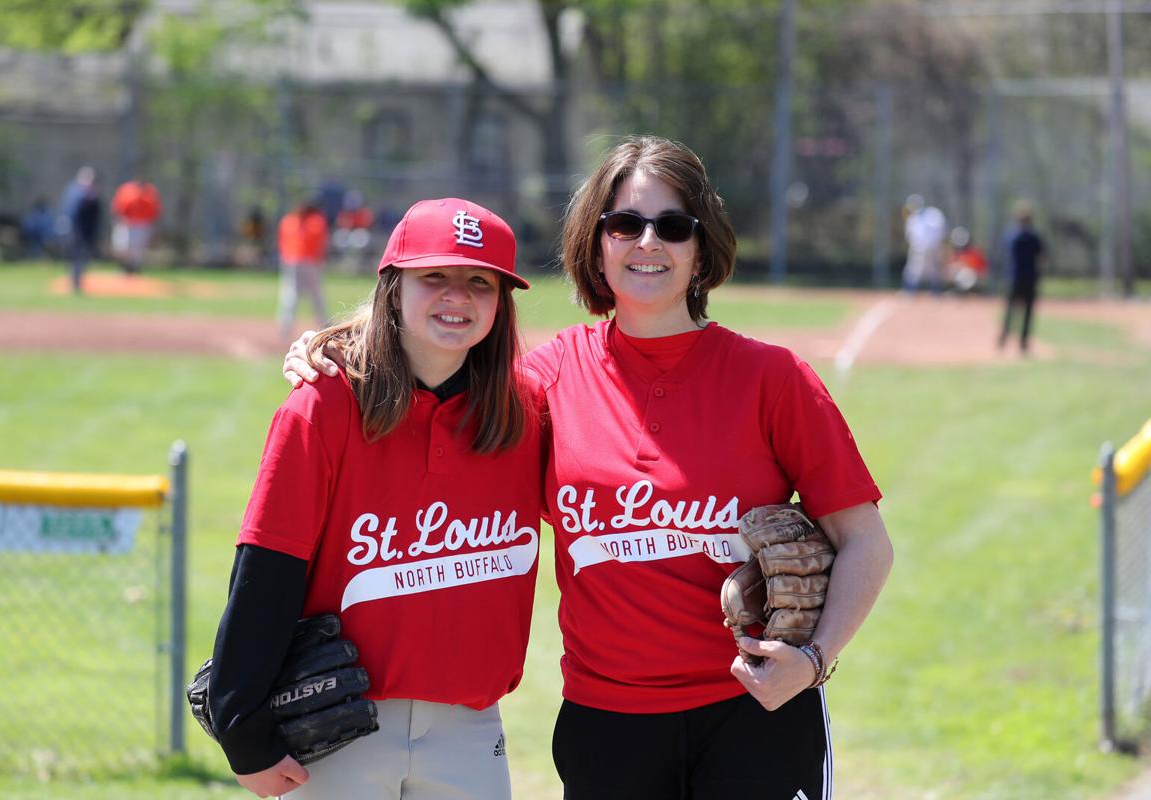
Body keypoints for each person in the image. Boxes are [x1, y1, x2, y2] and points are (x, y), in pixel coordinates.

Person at [285, 136, 894, 799]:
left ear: (702, 247)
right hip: (609, 723)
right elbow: (439, 368)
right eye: (626, 224)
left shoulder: (772, 380)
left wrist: (811, 661)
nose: (647, 243)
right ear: (596, 243)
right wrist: (335, 347)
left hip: (755, 710)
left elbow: (865, 541)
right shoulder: (547, 380)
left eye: (673, 226)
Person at [209, 198, 542, 799]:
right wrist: (241, 726)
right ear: (393, 287)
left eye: (479, 282)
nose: (457, 297)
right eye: (434, 277)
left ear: (502, 301)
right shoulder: (325, 404)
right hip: (336, 722)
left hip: (470, 728)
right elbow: (266, 568)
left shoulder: (525, 413)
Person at [277, 200, 331, 341]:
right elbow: (322, 243)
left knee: (292, 295)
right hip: (308, 262)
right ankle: (326, 327)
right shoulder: (316, 221)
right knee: (314, 296)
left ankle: (285, 328)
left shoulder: (289, 220)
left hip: (293, 261)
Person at [997, 200, 1044, 354]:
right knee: (1025, 313)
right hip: (1029, 278)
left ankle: (1004, 338)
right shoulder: (1034, 237)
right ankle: (1022, 342)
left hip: (1014, 277)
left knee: (1011, 311)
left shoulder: (1012, 236)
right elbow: (1041, 258)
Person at [110, 178, 162, 274]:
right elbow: (117, 206)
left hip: (142, 224)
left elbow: (155, 211)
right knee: (122, 247)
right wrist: (120, 219)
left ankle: (133, 269)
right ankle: (124, 267)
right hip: (126, 222)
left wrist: (153, 226)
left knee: (137, 250)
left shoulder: (150, 191)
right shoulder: (126, 189)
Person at [62, 167, 101, 294]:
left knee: (83, 259)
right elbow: (73, 213)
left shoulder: (91, 195)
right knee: (76, 258)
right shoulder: (77, 193)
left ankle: (78, 281)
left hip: (87, 232)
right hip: (76, 231)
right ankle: (75, 283)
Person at [901, 195, 947, 294]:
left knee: (933, 271)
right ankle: (909, 291)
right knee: (913, 270)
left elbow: (940, 231)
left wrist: (936, 246)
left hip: (932, 248)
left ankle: (936, 292)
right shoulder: (912, 218)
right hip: (917, 249)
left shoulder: (932, 214)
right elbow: (909, 235)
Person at [945, 225, 988, 294]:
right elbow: (948, 271)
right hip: (958, 283)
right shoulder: (955, 255)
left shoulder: (974, 252)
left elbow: (983, 270)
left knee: (966, 273)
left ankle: (970, 292)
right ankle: (959, 291)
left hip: (975, 281)